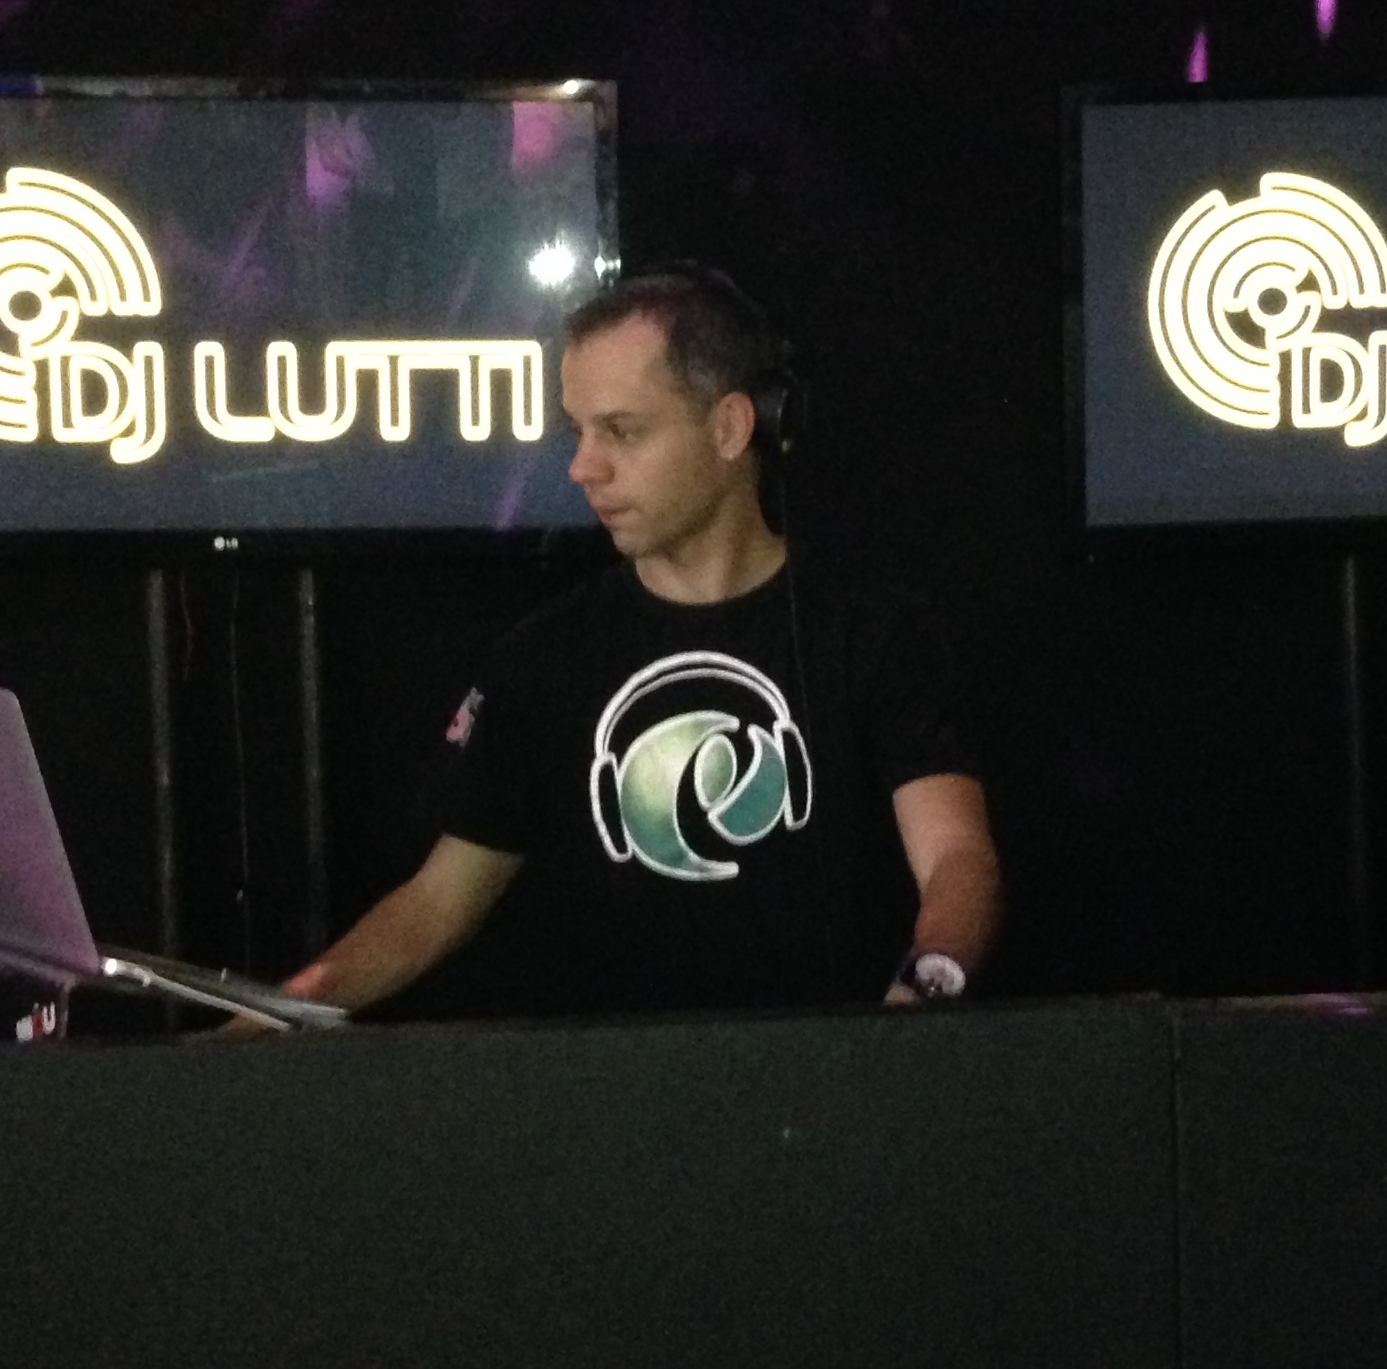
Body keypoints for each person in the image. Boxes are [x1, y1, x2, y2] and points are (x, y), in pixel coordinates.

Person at [280, 266, 1001, 1017]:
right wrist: (286, 1009)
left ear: (731, 427)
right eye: (579, 432)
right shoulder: (542, 658)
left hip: (837, 1077)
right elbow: (433, 908)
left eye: (622, 431)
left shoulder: (874, 633)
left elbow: (957, 860)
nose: (582, 468)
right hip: (622, 1086)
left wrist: (926, 988)